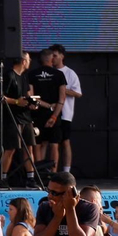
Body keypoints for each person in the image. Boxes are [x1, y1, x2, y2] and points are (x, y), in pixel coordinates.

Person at [0, 51, 38, 182]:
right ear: (24, 61)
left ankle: (30, 178)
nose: (30, 62)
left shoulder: (24, 77)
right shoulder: (9, 75)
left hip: (26, 117)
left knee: (29, 147)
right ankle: (2, 178)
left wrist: (31, 104)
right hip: (12, 117)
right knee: (11, 149)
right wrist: (17, 102)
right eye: (29, 59)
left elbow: (27, 95)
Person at [45, 45, 83, 173]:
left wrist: (62, 89)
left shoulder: (70, 73)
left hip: (65, 113)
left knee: (65, 141)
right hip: (48, 112)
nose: (53, 58)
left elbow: (78, 93)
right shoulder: (47, 72)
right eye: (51, 56)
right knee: (49, 143)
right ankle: (49, 171)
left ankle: (66, 171)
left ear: (62, 56)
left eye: (55, 56)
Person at [28, 47, 66, 169]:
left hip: (37, 114)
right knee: (54, 144)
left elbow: (31, 97)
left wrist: (45, 105)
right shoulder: (59, 74)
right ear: (51, 58)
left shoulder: (32, 74)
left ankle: (40, 173)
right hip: (54, 114)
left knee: (38, 144)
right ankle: (53, 174)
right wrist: (54, 115)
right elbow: (62, 98)